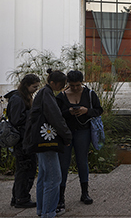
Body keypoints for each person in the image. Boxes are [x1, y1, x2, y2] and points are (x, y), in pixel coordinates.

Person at [24, 69, 72, 218]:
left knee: (44, 177)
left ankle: (42, 211)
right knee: (54, 178)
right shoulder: (46, 93)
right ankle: (48, 213)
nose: (62, 87)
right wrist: (67, 135)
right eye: (61, 84)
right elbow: (55, 117)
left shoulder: (43, 93)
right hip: (47, 141)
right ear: (52, 83)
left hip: (39, 140)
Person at [56, 70, 103, 207]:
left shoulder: (89, 94)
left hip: (84, 131)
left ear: (82, 82)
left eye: (78, 85)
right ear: (67, 84)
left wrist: (86, 111)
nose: (75, 88)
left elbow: (99, 110)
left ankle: (85, 193)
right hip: (66, 133)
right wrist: (69, 112)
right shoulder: (61, 97)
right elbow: (57, 115)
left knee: (82, 162)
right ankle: (61, 196)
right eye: (72, 86)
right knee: (63, 164)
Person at [6, 74, 40, 208]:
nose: (35, 89)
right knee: (26, 169)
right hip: (22, 140)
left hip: (25, 138)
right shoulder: (17, 99)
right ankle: (22, 198)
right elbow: (16, 120)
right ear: (27, 85)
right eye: (34, 87)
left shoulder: (22, 98)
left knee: (24, 169)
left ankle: (18, 197)